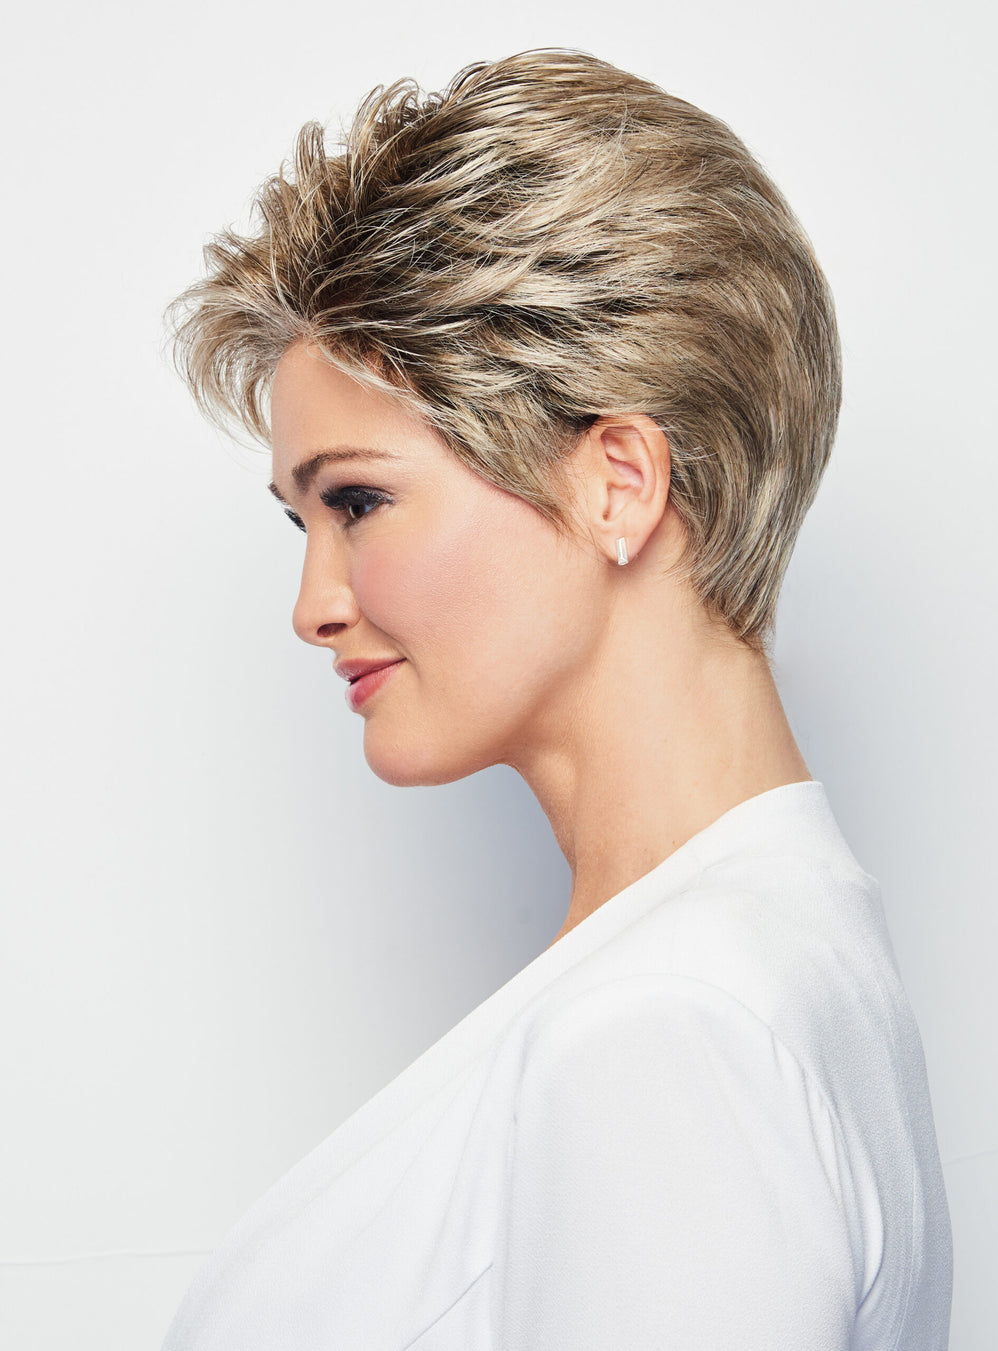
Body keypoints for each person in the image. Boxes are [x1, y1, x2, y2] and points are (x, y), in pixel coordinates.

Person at [160, 48, 952, 1349]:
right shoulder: (764, 959)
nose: (314, 603)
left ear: (616, 482)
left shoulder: (669, 1026)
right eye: (303, 521)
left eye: (359, 500)